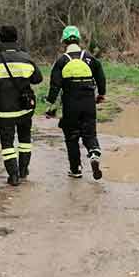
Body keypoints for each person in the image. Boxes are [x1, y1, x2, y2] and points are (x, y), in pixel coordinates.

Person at [0, 25, 43, 186]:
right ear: (16, 39)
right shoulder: (26, 58)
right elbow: (37, 79)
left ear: (0, 39)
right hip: (25, 109)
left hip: (4, 111)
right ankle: (23, 170)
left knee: (7, 143)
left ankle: (13, 175)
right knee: (25, 139)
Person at [45, 26, 106, 180]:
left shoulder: (62, 60)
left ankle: (76, 169)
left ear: (64, 42)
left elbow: (55, 86)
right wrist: (101, 94)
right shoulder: (90, 58)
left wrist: (50, 105)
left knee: (71, 136)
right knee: (89, 132)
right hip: (88, 101)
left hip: (70, 102)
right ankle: (93, 152)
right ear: (78, 40)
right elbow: (101, 77)